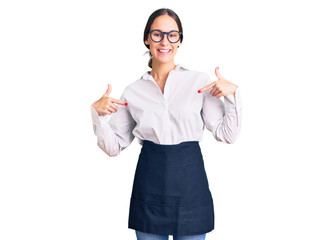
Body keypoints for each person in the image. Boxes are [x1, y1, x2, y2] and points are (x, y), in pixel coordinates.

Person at [91, 8, 242, 240]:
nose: (165, 41)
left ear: (179, 40)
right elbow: (113, 147)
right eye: (157, 34)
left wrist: (232, 96)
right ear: (146, 38)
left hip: (191, 187)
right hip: (149, 189)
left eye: (172, 35)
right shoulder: (133, 91)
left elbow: (228, 134)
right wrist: (98, 114)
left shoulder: (199, 82)